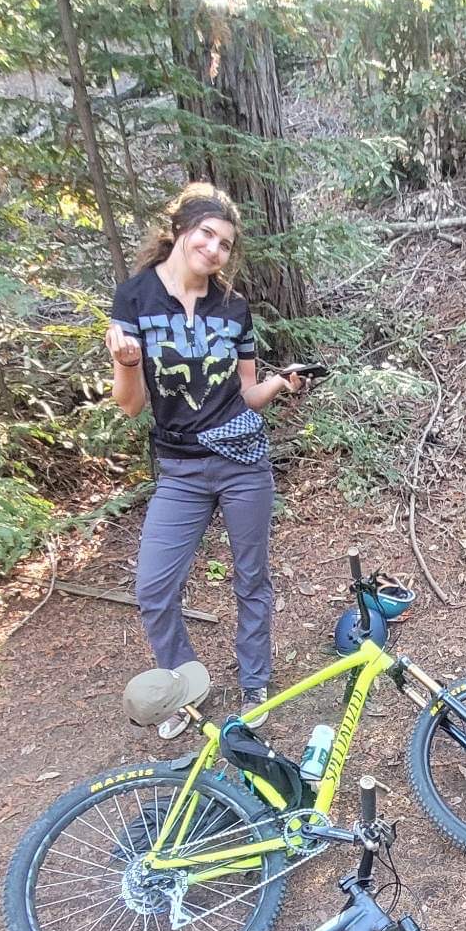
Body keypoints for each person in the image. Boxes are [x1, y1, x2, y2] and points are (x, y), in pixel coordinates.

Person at [106, 183, 308, 738]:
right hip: (181, 468)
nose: (215, 250)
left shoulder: (233, 308)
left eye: (225, 243)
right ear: (179, 231)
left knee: (251, 577)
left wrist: (277, 384)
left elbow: (243, 393)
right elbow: (130, 406)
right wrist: (126, 361)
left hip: (244, 460)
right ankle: (182, 687)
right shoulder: (135, 299)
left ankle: (254, 681)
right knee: (153, 586)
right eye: (206, 235)